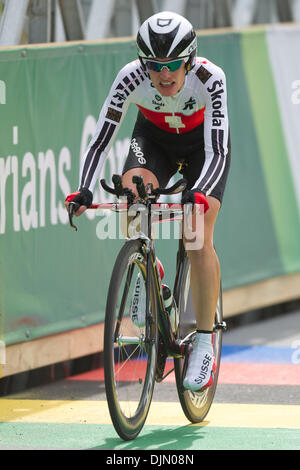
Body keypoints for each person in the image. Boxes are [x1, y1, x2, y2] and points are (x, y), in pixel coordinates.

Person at [65, 11, 230, 392]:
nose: (164, 74)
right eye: (155, 66)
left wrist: (200, 190)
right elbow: (102, 137)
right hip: (154, 139)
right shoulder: (130, 77)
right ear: (144, 64)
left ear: (189, 60)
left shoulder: (211, 79)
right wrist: (84, 188)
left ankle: (204, 340)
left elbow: (218, 149)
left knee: (196, 234)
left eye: (173, 64)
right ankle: (147, 266)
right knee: (133, 194)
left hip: (203, 147)